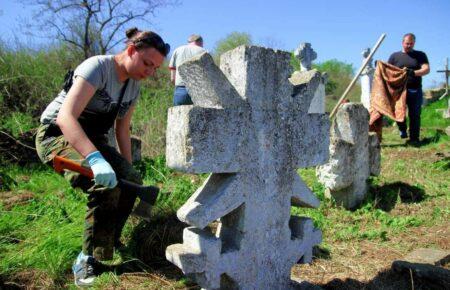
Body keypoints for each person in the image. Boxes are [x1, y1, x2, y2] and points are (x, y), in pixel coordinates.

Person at [35, 27, 169, 287]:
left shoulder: (133, 87)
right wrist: (96, 161)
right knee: (105, 185)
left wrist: (128, 171)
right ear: (131, 51)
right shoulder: (97, 67)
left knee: (130, 179)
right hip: (56, 135)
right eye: (147, 64)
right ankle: (86, 260)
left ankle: (107, 242)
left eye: (155, 68)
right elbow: (65, 118)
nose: (149, 72)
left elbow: (122, 128)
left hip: (92, 140)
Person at [388, 33, 430, 144]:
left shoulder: (420, 55)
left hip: (415, 89)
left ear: (414, 43)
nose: (409, 45)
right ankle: (402, 129)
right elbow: (388, 70)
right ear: (402, 43)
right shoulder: (394, 56)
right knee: (397, 112)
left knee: (415, 114)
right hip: (399, 90)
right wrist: (379, 67)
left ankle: (414, 139)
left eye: (411, 43)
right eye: (407, 43)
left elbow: (426, 69)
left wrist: (413, 73)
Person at [169, 34, 206, 105]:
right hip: (200, 91)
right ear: (200, 42)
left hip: (181, 90)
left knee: (178, 115)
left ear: (189, 42)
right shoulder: (204, 51)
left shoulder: (177, 50)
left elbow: (172, 78)